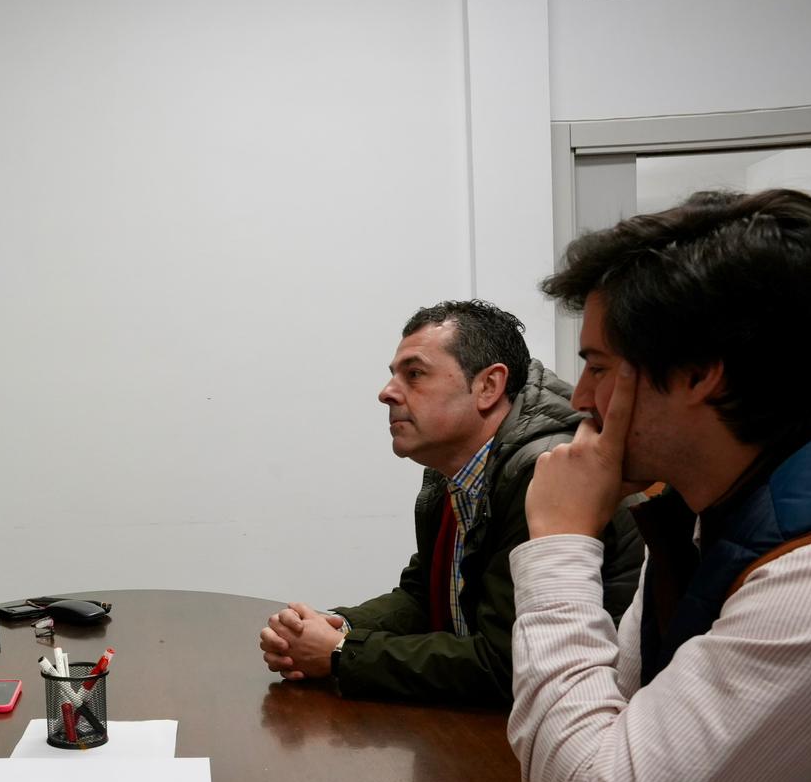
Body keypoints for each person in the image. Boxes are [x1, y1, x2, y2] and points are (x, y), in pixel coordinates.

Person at [507, 188, 811, 782]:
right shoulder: (705, 508)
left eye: (601, 365)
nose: (577, 395)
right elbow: (609, 749)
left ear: (702, 373)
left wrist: (559, 544)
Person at [259, 300, 642, 706]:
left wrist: (340, 654)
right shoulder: (454, 471)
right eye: (394, 376)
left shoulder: (542, 474)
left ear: (489, 387)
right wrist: (336, 627)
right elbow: (424, 596)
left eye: (415, 374)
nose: (386, 393)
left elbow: (505, 665)